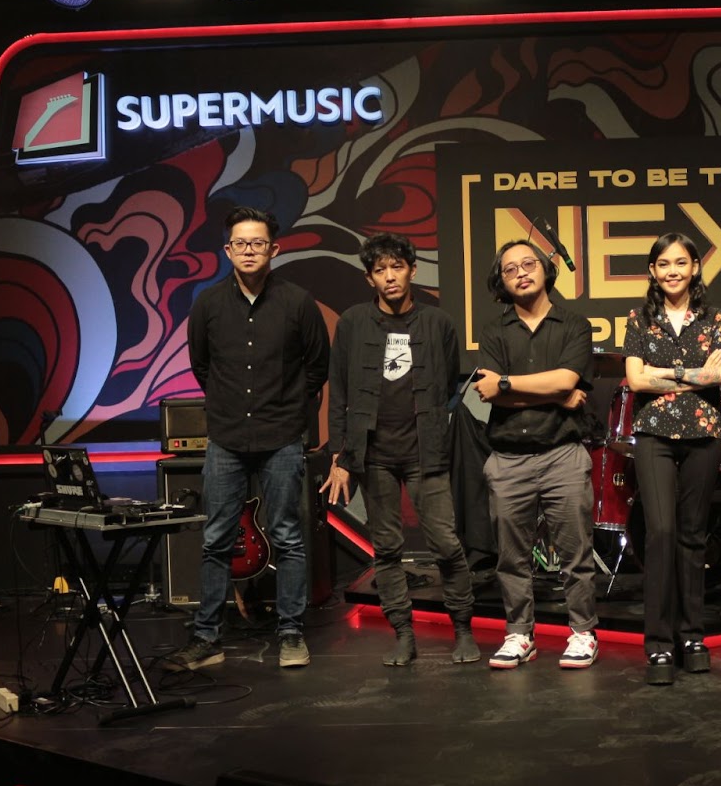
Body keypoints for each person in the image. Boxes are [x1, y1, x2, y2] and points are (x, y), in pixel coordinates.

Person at [168, 206, 329, 671]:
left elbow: (317, 366)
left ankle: (291, 633)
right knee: (216, 539)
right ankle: (207, 638)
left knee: (288, 537)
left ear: (273, 249)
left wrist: (290, 410)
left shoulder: (298, 302)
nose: (249, 251)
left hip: (282, 436)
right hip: (226, 437)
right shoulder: (208, 304)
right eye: (240, 243)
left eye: (258, 243)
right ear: (227, 250)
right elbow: (202, 366)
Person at [320, 233, 478, 666]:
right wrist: (340, 456)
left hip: (426, 452)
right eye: (380, 270)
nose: (389, 276)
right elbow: (340, 392)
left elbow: (449, 384)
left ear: (412, 270)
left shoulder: (438, 322)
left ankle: (463, 629)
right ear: (369, 278)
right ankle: (403, 634)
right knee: (387, 548)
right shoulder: (353, 323)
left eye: (397, 267)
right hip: (374, 456)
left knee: (446, 543)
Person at [473, 240, 600, 670]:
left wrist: (508, 384)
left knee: (576, 554)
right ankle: (519, 634)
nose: (521, 273)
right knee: (511, 558)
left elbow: (564, 380)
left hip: (563, 453)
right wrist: (554, 394)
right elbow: (491, 393)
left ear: (546, 270)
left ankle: (582, 632)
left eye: (529, 264)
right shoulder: (494, 331)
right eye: (510, 269)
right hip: (508, 458)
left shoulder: (575, 325)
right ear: (501, 281)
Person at [622, 232, 721, 685]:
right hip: (654, 434)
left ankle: (692, 637)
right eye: (664, 264)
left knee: (692, 535)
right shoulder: (638, 319)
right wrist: (695, 375)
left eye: (681, 262)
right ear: (653, 271)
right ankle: (658, 643)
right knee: (661, 533)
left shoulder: (714, 317)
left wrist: (663, 373)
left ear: (695, 267)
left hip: (703, 434)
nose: (673, 271)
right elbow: (635, 381)